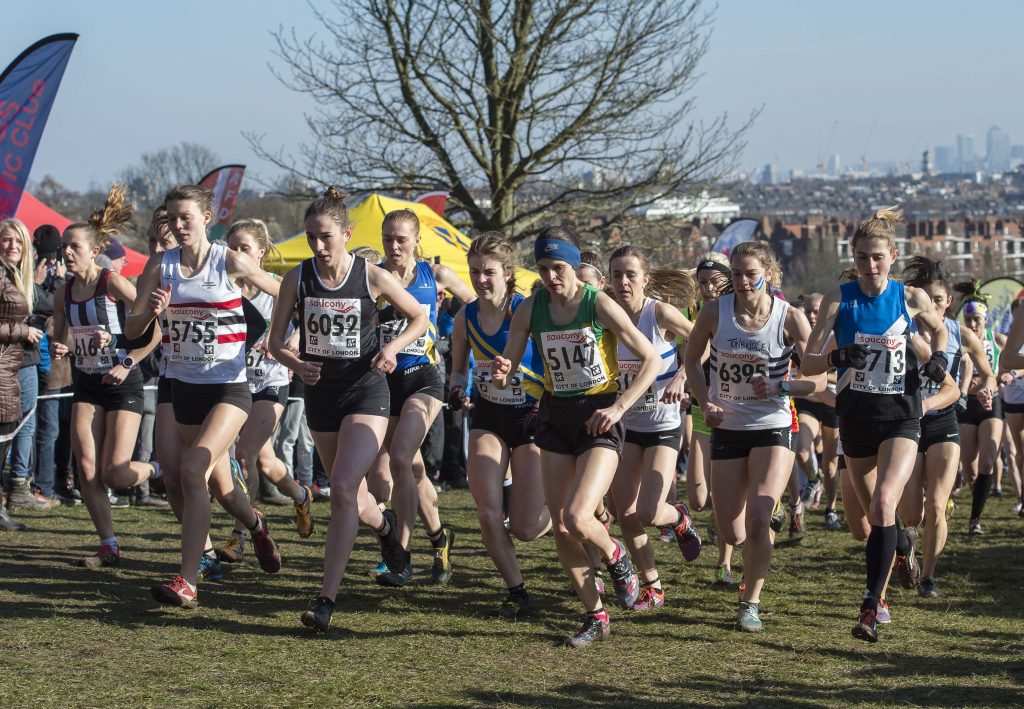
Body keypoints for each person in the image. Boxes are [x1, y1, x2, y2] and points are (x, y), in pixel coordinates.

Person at [491, 225, 660, 648]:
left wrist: (619, 407)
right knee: (564, 531)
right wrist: (502, 368)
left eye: (560, 267)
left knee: (578, 516)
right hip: (554, 415)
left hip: (598, 415)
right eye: (544, 268)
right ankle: (595, 615)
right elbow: (511, 356)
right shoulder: (531, 309)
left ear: (574, 264)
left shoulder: (597, 304)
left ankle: (617, 556)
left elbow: (652, 359)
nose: (552, 277)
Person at [267, 186, 423, 631]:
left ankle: (325, 599)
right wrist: (296, 363)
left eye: (326, 237)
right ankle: (387, 528)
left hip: (366, 392)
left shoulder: (371, 275)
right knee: (353, 496)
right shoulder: (298, 279)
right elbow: (277, 343)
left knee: (341, 486)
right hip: (321, 394)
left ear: (347, 235)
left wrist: (392, 347)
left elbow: (420, 316)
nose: (318, 246)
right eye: (311, 237)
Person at [127, 184, 283, 608]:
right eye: (172, 217)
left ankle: (188, 580)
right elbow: (131, 330)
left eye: (186, 217)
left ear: (206, 219)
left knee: (193, 469)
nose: (178, 225)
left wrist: (280, 335)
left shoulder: (229, 261)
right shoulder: (161, 265)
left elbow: (284, 293)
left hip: (230, 389)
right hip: (185, 390)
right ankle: (255, 523)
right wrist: (150, 312)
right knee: (220, 482)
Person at [801, 207, 952, 643]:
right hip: (856, 418)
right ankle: (901, 545)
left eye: (879, 257)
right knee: (873, 516)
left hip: (901, 416)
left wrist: (938, 357)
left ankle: (871, 603)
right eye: (864, 257)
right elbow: (809, 361)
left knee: (886, 503)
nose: (871, 265)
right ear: (854, 256)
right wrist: (835, 358)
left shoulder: (910, 298)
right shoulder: (838, 298)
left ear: (893, 256)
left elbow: (940, 332)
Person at [684, 240, 822, 632]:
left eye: (750, 273)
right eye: (737, 274)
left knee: (759, 518)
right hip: (727, 426)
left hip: (773, 426)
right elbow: (692, 361)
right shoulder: (714, 312)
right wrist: (705, 399)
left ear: (769, 275)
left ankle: (751, 602)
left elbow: (818, 379)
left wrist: (781, 388)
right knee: (732, 530)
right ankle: (757, 534)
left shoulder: (790, 317)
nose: (743, 282)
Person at [49, 184, 164, 567]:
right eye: (64, 246)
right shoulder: (63, 293)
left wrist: (122, 353)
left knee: (115, 473)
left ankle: (158, 469)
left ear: (94, 251)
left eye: (74, 247)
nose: (66, 252)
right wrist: (61, 346)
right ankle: (108, 544)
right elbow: (62, 335)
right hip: (86, 383)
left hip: (122, 382)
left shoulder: (112, 283)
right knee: (85, 468)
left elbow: (155, 327)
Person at [448, 232, 552, 618]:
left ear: (508, 273)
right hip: (488, 416)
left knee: (525, 528)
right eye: (474, 272)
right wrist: (458, 392)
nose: (480, 280)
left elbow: (552, 367)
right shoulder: (466, 316)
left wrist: (521, 374)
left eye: (488, 272)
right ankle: (516, 590)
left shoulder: (528, 310)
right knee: (488, 512)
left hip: (530, 416)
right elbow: (458, 371)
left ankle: (567, 513)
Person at [372, 208, 476, 586]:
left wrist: (466, 346)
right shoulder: (374, 278)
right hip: (385, 385)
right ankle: (439, 538)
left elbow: (478, 307)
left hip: (424, 379)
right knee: (411, 470)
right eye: (388, 239)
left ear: (417, 240)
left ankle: (402, 557)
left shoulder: (437, 275)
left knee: (399, 459)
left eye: (401, 239)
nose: (394, 246)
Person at [606, 245, 701, 612]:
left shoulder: (658, 312)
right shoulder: (606, 315)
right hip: (626, 426)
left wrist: (682, 376)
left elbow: (701, 341)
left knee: (648, 511)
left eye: (631, 275)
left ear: (646, 279)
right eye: (617, 275)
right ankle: (653, 586)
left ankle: (679, 519)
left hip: (663, 423)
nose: (624, 282)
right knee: (625, 512)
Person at [215, 219, 314, 558]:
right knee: (268, 464)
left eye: (244, 247)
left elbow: (307, 311)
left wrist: (295, 339)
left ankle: (240, 536)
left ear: (261, 251)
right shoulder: (223, 290)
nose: (237, 254)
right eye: (233, 248)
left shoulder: (277, 286)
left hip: (271, 382)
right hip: (234, 385)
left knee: (245, 456)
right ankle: (301, 496)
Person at [897, 257, 994, 599]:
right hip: (907, 425)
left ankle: (928, 577)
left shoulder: (959, 333)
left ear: (948, 302)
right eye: (925, 299)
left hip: (944, 421)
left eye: (938, 300)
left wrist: (985, 388)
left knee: (937, 506)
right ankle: (905, 544)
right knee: (913, 513)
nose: (932, 307)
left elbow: (987, 371)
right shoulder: (901, 331)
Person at [688, 256, 737, 585]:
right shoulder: (694, 314)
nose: (707, 289)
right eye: (702, 282)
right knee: (697, 499)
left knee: (722, 496)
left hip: (734, 413)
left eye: (714, 282)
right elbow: (688, 354)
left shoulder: (736, 314)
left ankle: (724, 563)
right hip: (701, 407)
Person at [1, 219, 45, 511]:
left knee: (14, 430)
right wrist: (24, 332)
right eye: (6, 240)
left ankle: (9, 498)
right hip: (4, 364)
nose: (12, 246)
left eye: (18, 241)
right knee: (6, 434)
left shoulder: (16, 274)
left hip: (18, 361)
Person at [794, 293, 841, 531]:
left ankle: (831, 509)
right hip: (808, 401)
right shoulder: (798, 335)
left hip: (832, 402)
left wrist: (823, 375)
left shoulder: (835, 335)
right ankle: (814, 478)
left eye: (817, 311)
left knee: (831, 465)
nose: (812, 316)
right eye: (808, 311)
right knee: (802, 452)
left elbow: (838, 372)